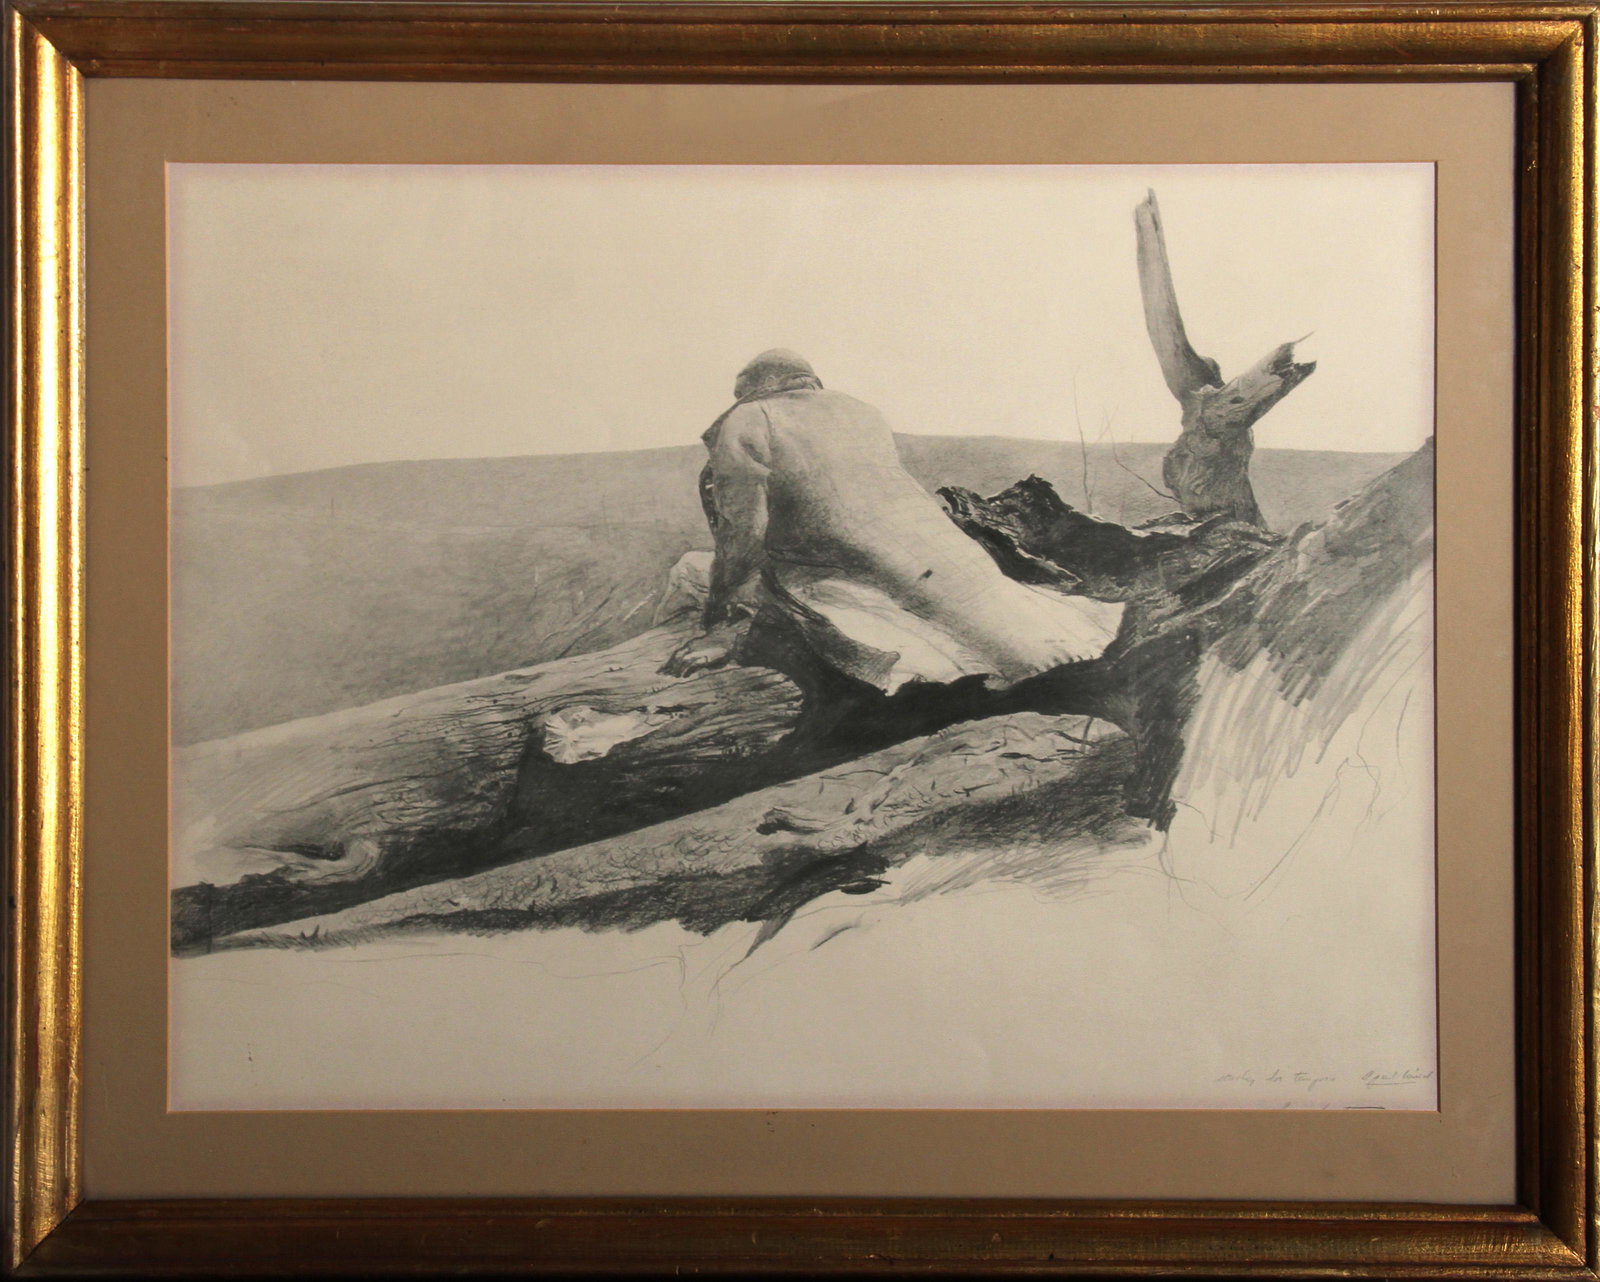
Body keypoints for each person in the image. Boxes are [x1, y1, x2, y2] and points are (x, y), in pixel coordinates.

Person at [664, 350, 1124, 694]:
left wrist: (720, 620)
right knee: (1010, 626)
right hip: (939, 553)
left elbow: (743, 532)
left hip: (836, 568)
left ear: (750, 390)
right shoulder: (859, 410)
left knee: (687, 570)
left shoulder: (749, 418)